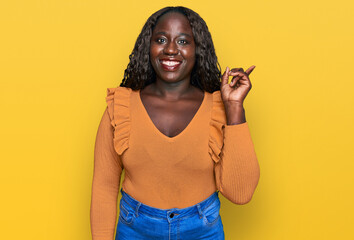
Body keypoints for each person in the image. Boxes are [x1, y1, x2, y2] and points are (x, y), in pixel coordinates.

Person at [90, 6, 260, 240]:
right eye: (161, 39)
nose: (171, 49)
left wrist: (234, 107)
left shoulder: (219, 110)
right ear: (148, 47)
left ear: (197, 49)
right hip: (135, 230)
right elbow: (103, 188)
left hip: (203, 230)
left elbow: (240, 193)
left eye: (183, 41)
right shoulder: (121, 108)